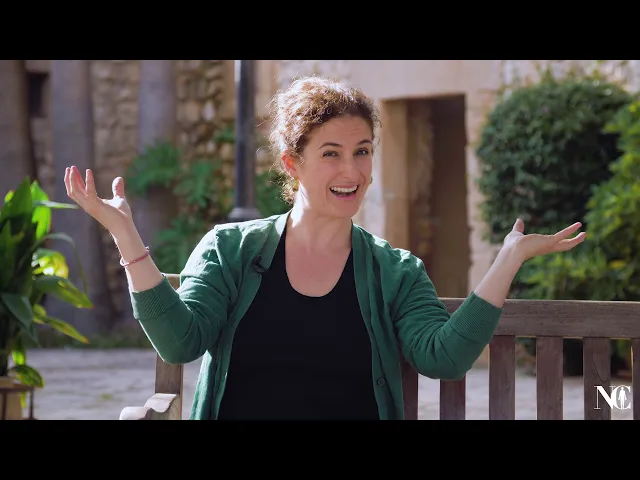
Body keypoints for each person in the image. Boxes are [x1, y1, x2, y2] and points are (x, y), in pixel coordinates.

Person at [63, 75, 586, 420]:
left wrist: (508, 257)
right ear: (292, 163)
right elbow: (181, 344)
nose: (351, 171)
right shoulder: (230, 249)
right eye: (331, 153)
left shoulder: (395, 270)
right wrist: (126, 234)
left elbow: (444, 358)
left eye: (363, 151)